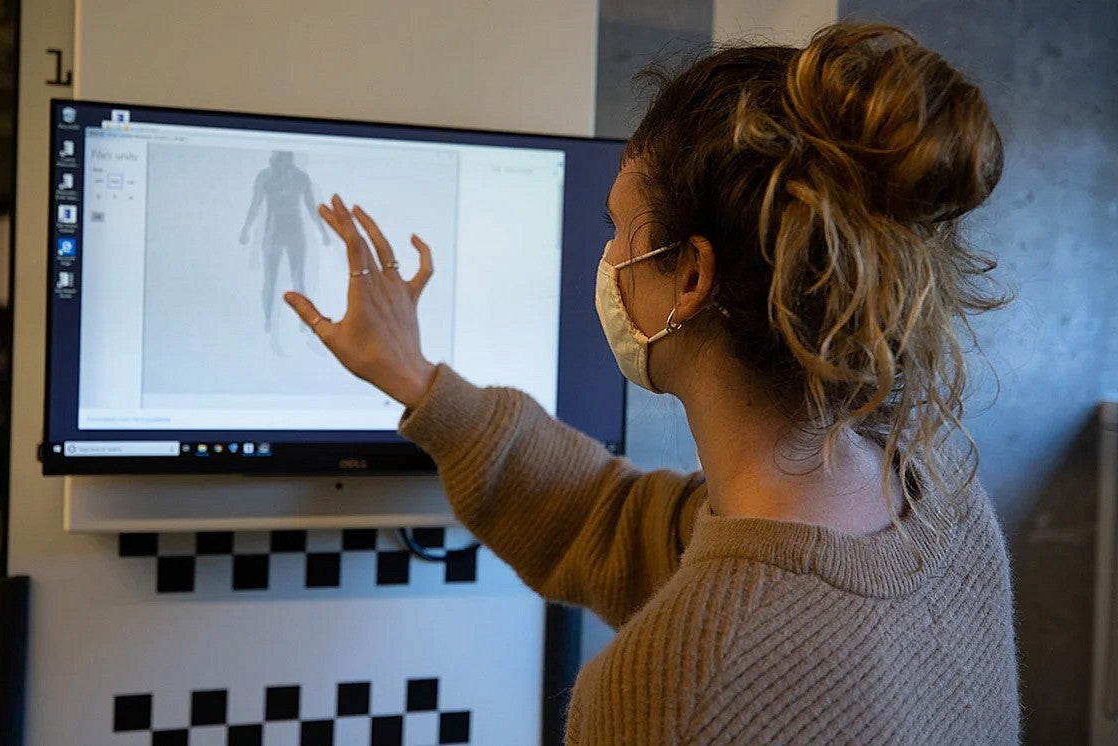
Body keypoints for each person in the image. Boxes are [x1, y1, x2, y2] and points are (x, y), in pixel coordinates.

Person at [284, 22, 1020, 744]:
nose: (605, 260)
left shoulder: (678, 685)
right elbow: (607, 521)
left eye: (616, 229)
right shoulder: (937, 502)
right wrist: (415, 379)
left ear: (691, 276)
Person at [239, 150, 332, 334]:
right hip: (274, 231)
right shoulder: (266, 176)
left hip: (293, 231)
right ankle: (267, 321)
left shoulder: (300, 178)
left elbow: (311, 207)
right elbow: (255, 204)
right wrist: (246, 230)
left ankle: (304, 322)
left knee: (299, 280)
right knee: (270, 280)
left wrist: (323, 232)